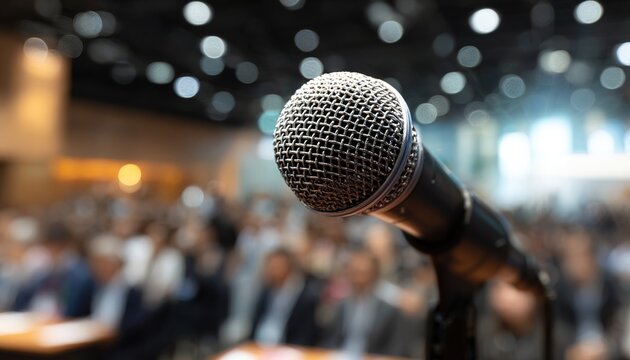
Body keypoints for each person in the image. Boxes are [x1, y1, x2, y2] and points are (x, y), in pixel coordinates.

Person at [321, 249, 406, 357]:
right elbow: (329, 340)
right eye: (354, 273)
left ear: (374, 275)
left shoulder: (388, 310)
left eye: (363, 273)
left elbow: (395, 348)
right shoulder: (342, 305)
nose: (358, 279)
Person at [13, 221, 94, 318]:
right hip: (36, 317)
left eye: (57, 249)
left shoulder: (81, 275)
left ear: (68, 246)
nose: (53, 252)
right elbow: (23, 300)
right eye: (49, 249)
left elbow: (73, 309)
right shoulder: (44, 272)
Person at [478, 280, 571, 360]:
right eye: (500, 287)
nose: (509, 297)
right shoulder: (481, 333)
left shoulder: (555, 338)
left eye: (518, 288)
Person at [250, 247, 320, 346]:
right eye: (270, 266)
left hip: (287, 346)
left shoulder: (304, 296)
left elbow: (305, 334)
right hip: (260, 343)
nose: (272, 271)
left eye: (277, 267)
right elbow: (256, 323)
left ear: (289, 268)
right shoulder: (265, 291)